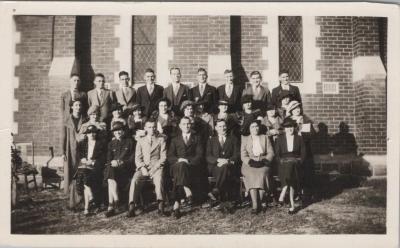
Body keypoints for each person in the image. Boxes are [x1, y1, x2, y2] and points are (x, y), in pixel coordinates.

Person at [127, 119, 167, 217]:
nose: (152, 129)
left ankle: (160, 206)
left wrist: (155, 168)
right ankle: (132, 207)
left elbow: (163, 157)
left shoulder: (161, 139)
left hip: (157, 166)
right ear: (145, 128)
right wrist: (142, 167)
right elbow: (138, 157)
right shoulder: (141, 140)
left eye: (154, 127)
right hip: (143, 167)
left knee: (159, 179)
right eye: (149, 127)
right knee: (135, 180)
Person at [168, 117, 204, 219]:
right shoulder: (175, 139)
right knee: (181, 166)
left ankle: (176, 206)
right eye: (184, 124)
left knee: (181, 172)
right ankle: (187, 190)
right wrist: (179, 160)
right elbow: (170, 156)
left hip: (191, 167)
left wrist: (188, 161)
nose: (186, 126)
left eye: (188, 124)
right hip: (176, 165)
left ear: (191, 125)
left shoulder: (197, 138)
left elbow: (199, 155)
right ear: (180, 126)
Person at [240, 119, 274, 214]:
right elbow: (243, 155)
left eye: (256, 126)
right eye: (252, 127)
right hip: (249, 163)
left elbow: (271, 152)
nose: (255, 128)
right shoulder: (245, 139)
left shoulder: (265, 138)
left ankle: (261, 200)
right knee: (251, 174)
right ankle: (255, 204)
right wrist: (250, 162)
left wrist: (265, 161)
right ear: (249, 129)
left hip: (263, 161)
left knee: (262, 173)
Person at [205, 119, 240, 211]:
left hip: (229, 166)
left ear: (227, 127)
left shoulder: (233, 139)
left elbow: (237, 154)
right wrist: (218, 160)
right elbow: (208, 156)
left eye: (224, 126)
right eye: (220, 126)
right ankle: (226, 201)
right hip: (215, 167)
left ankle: (216, 192)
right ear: (216, 128)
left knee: (226, 168)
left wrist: (228, 160)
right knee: (224, 170)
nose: (222, 128)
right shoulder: (211, 140)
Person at [61, 99, 88, 210]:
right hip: (70, 150)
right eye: (76, 105)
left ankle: (81, 200)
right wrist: (63, 152)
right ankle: (73, 201)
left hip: (81, 151)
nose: (78, 107)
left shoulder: (85, 119)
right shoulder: (67, 120)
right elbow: (63, 137)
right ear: (72, 107)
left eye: (80, 105)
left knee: (81, 173)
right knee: (72, 174)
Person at [275, 118, 306, 214]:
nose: (289, 129)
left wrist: (299, 161)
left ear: (294, 127)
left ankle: (283, 192)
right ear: (284, 128)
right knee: (290, 175)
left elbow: (303, 153)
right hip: (283, 164)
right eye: (287, 127)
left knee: (292, 166)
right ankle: (292, 205)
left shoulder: (299, 138)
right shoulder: (279, 139)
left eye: (291, 126)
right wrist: (281, 161)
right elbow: (277, 154)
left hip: (296, 163)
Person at [104, 121, 135, 217]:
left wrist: (122, 162)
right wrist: (112, 162)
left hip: (126, 168)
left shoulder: (130, 142)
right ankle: (116, 200)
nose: (118, 132)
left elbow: (132, 158)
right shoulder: (111, 144)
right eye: (115, 131)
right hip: (114, 168)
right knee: (110, 170)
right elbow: (108, 159)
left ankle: (111, 206)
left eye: (120, 130)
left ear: (123, 131)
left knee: (109, 176)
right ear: (113, 133)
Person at [287, 100, 316, 204]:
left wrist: (302, 133)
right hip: (292, 150)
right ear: (291, 110)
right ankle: (294, 195)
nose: (297, 110)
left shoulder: (306, 120)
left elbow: (312, 135)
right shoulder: (288, 120)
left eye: (298, 108)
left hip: (305, 150)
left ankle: (306, 195)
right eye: (294, 109)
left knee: (306, 172)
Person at [76, 125, 107, 216]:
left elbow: (103, 157)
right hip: (85, 165)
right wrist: (83, 159)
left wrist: (93, 161)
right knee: (83, 174)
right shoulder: (83, 143)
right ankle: (91, 198)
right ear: (87, 134)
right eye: (89, 133)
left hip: (96, 166)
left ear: (96, 133)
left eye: (94, 132)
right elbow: (79, 154)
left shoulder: (101, 143)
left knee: (85, 178)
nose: (92, 134)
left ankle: (86, 208)